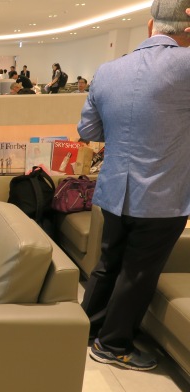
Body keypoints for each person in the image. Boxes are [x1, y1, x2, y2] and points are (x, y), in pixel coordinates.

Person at [77, 0, 190, 371]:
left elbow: (88, 131)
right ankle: (112, 344)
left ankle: (83, 331)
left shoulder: (108, 70)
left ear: (149, 25)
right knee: (139, 271)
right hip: (161, 195)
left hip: (112, 191)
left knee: (108, 263)